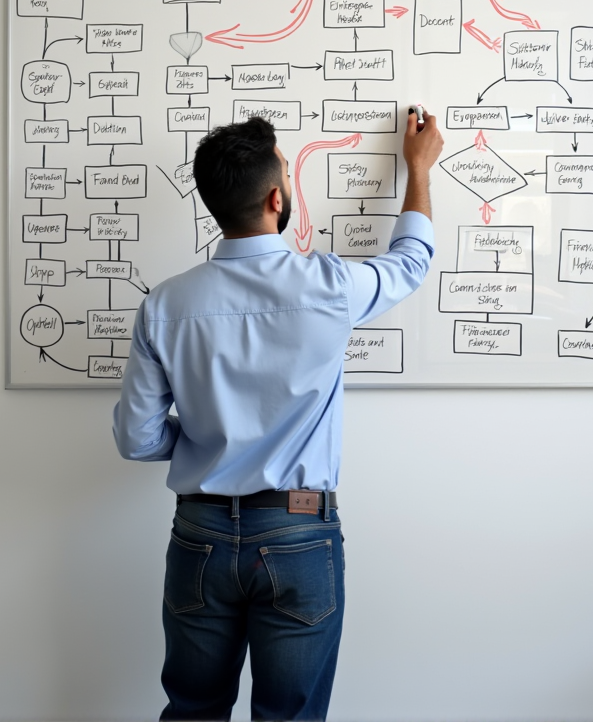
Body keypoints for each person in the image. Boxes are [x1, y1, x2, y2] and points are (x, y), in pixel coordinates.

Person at [113, 108, 444, 722]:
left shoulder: (164, 305)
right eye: (289, 174)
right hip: (299, 533)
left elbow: (137, 439)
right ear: (276, 196)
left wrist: (210, 441)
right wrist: (418, 170)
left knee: (191, 711)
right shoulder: (327, 284)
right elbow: (410, 263)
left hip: (200, 537)